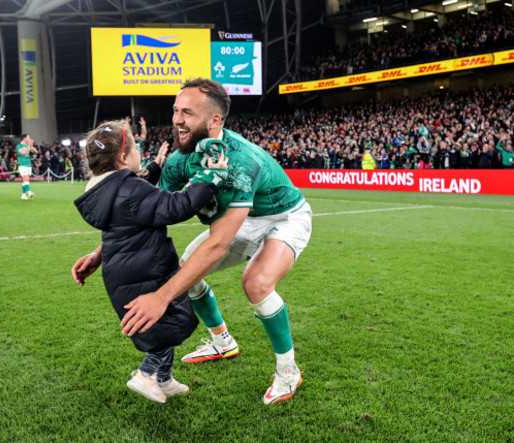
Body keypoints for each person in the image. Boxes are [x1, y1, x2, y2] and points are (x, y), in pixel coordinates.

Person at [72, 78, 313, 405]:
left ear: (215, 120)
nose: (176, 119)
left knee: (255, 283)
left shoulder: (241, 161)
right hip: (238, 219)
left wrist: (161, 296)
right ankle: (222, 340)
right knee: (185, 269)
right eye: (175, 110)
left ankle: (288, 370)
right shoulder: (179, 160)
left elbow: (216, 247)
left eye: (187, 112)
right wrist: (101, 252)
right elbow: (146, 212)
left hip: (283, 217)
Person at [71, 119, 229, 403]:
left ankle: (165, 380)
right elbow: (175, 206)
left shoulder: (107, 191)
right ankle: (146, 374)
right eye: (135, 148)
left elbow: (136, 193)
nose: (139, 155)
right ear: (123, 156)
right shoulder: (129, 191)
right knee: (170, 320)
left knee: (162, 324)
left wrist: (155, 165)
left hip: (124, 268)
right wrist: (210, 179)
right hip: (147, 267)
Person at [16, 134, 38, 199]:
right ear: (24, 138)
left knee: (25, 180)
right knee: (26, 178)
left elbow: (36, 152)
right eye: (28, 137)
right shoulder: (19, 146)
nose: (29, 138)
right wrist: (28, 146)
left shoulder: (28, 145)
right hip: (22, 164)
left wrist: (32, 146)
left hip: (28, 164)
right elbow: (24, 153)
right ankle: (29, 192)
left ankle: (23, 195)